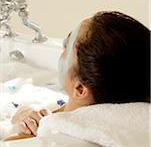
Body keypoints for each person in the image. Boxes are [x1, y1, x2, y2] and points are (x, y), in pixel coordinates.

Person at [11, 11, 150, 137]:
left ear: (80, 89)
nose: (63, 45)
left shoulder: (37, 137)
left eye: (67, 46)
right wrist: (25, 113)